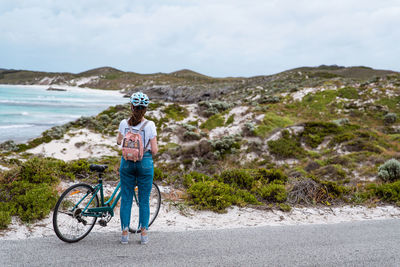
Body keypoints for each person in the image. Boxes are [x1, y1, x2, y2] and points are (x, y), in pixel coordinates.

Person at [116, 92, 158, 245]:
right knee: (144, 200)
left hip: (126, 162)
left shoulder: (123, 123)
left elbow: (119, 142)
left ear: (131, 106)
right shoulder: (150, 125)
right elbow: (154, 150)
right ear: (145, 109)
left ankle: (125, 234)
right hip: (145, 163)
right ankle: (144, 234)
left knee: (126, 198)